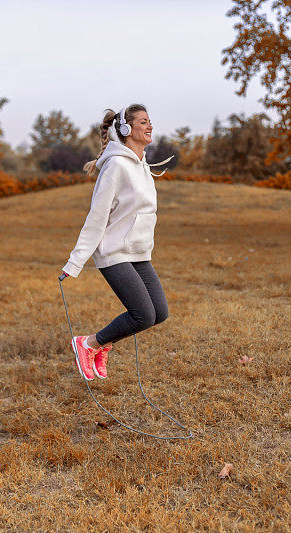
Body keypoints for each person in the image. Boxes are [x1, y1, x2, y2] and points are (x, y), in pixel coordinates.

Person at [60, 104, 173, 382]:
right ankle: (88, 344)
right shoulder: (116, 166)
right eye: (143, 122)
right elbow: (96, 218)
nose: (150, 126)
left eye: (150, 121)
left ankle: (101, 345)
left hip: (138, 254)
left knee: (159, 313)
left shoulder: (142, 165)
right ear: (125, 129)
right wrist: (75, 263)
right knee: (143, 315)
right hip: (114, 252)